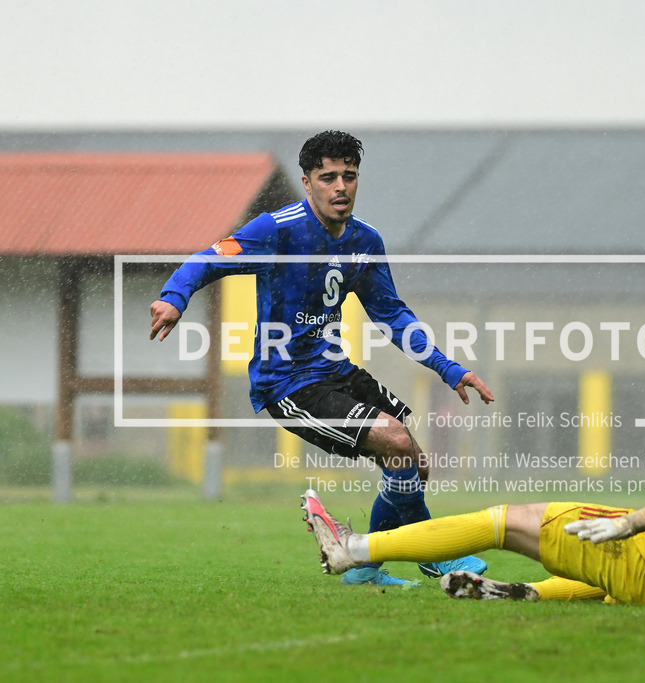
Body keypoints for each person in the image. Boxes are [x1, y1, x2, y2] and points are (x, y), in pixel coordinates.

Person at [301, 321, 645, 605]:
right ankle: (523, 595)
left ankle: (353, 551)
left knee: (507, 520)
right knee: (598, 567)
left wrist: (632, 522)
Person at [151, 130, 495, 586]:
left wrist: (449, 369)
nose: (340, 187)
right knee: (394, 440)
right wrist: (175, 297)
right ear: (307, 182)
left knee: (413, 459)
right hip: (287, 383)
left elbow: (391, 315)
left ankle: (364, 566)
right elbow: (208, 258)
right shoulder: (276, 230)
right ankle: (435, 555)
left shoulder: (365, 242)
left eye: (348, 176)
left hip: (334, 370)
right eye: (328, 177)